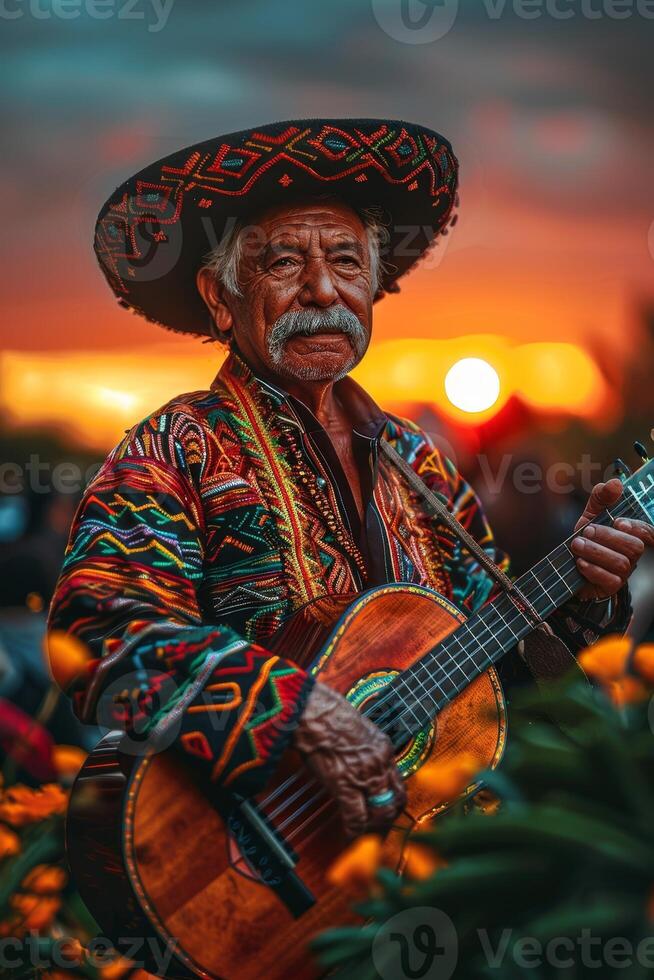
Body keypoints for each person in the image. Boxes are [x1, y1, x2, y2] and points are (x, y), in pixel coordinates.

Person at [47, 118, 648, 839]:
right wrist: (294, 711)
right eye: (282, 264)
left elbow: (499, 674)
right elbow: (98, 636)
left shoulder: (418, 463)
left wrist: (585, 590)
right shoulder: (176, 448)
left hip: (429, 863)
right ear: (219, 296)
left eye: (346, 260)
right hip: (247, 869)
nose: (322, 289)